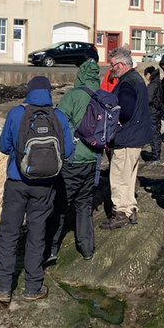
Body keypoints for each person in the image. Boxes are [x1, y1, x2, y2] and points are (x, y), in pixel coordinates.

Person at [0, 76, 74, 303]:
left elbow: (4, 147)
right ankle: (33, 288)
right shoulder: (58, 116)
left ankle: (2, 288)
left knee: (9, 233)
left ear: (29, 91)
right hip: (46, 185)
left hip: (17, 181)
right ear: (49, 92)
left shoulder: (16, 113)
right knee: (37, 234)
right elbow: (68, 152)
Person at [47, 58, 101, 263]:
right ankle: (87, 248)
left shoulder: (74, 95)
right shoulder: (102, 96)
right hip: (93, 158)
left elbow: (57, 121)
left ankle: (51, 249)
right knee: (84, 204)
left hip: (74, 157)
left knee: (60, 204)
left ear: (81, 75)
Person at [100, 46, 151, 230]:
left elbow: (126, 110)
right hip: (136, 136)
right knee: (129, 175)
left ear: (121, 65)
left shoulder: (127, 82)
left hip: (127, 137)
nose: (111, 69)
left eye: (112, 65)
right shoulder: (137, 79)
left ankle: (120, 211)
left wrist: (115, 122)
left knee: (118, 175)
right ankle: (131, 209)